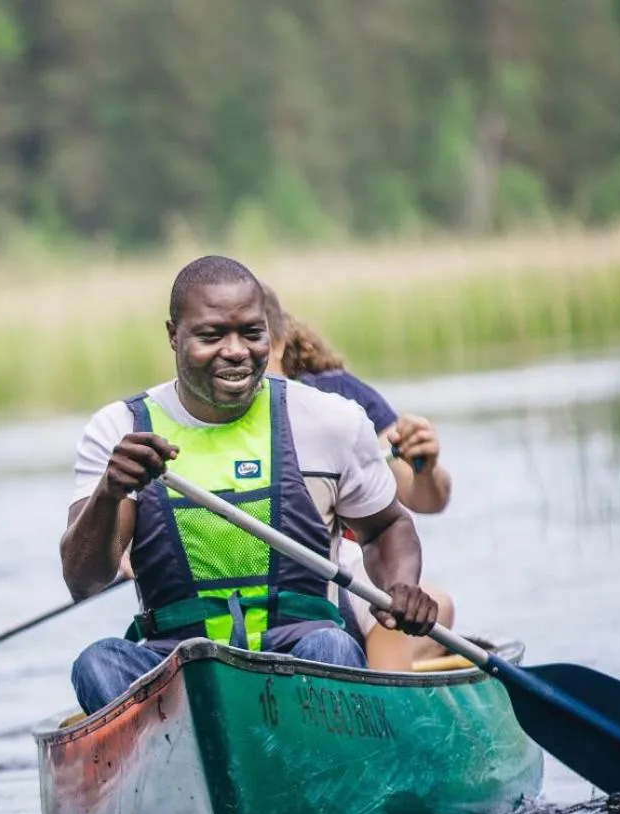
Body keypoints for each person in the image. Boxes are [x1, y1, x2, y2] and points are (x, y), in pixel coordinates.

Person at [62, 255, 439, 715]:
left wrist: (400, 586)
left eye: (252, 333)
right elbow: (84, 581)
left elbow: (386, 528)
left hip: (300, 655)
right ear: (173, 335)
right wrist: (110, 492)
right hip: (176, 669)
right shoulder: (117, 429)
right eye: (212, 335)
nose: (236, 350)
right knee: (96, 664)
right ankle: (178, 761)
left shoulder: (329, 420)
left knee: (334, 648)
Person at [260, 284, 456, 670]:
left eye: (253, 338)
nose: (236, 357)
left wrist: (426, 466)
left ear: (280, 341)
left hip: (351, 569)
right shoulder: (203, 420)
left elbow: (426, 498)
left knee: (437, 606)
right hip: (277, 586)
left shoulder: (339, 400)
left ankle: (374, 680)